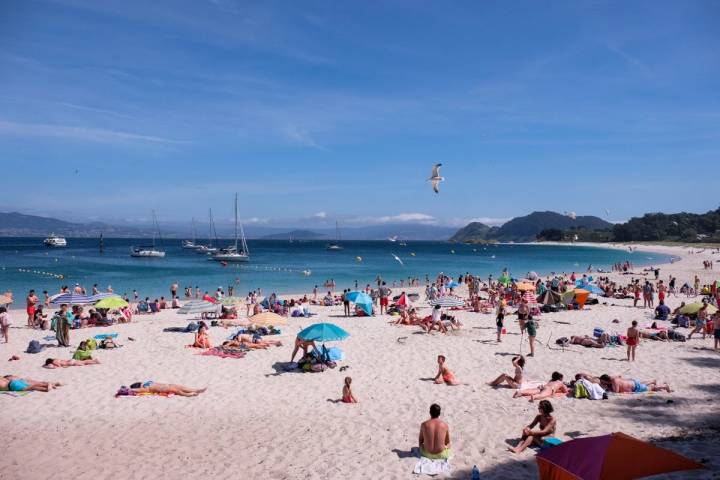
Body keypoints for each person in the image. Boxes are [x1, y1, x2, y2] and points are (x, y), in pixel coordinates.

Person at [599, 374, 672, 393]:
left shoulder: (614, 381)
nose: (602, 383)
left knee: (652, 388)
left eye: (603, 382)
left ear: (605, 381)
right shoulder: (613, 378)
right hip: (633, 383)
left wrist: (607, 388)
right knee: (642, 384)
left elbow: (616, 392)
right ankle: (653, 381)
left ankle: (665, 386)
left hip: (635, 387)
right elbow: (620, 375)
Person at [128, 381, 206, 397]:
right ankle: (192, 392)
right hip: (166, 387)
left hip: (165, 388)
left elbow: (137, 390)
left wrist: (130, 389)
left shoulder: (144, 387)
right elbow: (137, 389)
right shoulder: (146, 383)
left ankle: (194, 391)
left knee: (180, 389)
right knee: (180, 389)